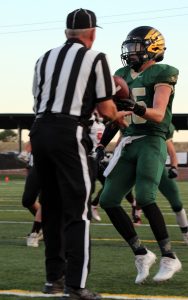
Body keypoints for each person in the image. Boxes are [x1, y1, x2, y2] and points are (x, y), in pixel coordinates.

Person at [29, 8, 128, 300]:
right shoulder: (95, 57)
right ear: (92, 33)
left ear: (65, 33)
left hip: (40, 130)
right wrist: (118, 116)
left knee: (53, 209)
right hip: (68, 133)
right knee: (79, 211)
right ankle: (76, 284)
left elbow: (39, 99)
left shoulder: (43, 58)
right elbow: (106, 108)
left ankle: (53, 280)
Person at [99, 26, 182, 284]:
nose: (131, 52)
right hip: (130, 139)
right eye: (129, 47)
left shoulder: (162, 72)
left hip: (153, 139)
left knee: (146, 196)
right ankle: (141, 253)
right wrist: (102, 145)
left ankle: (169, 257)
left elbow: (157, 113)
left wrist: (134, 106)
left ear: (153, 48)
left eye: (136, 47)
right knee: (108, 199)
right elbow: (116, 117)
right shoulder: (122, 75)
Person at [19, 141, 43, 247]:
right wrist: (26, 152)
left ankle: (35, 232)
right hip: (35, 165)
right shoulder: (38, 124)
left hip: (54, 164)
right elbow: (33, 137)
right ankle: (48, 225)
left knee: (46, 199)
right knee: (27, 200)